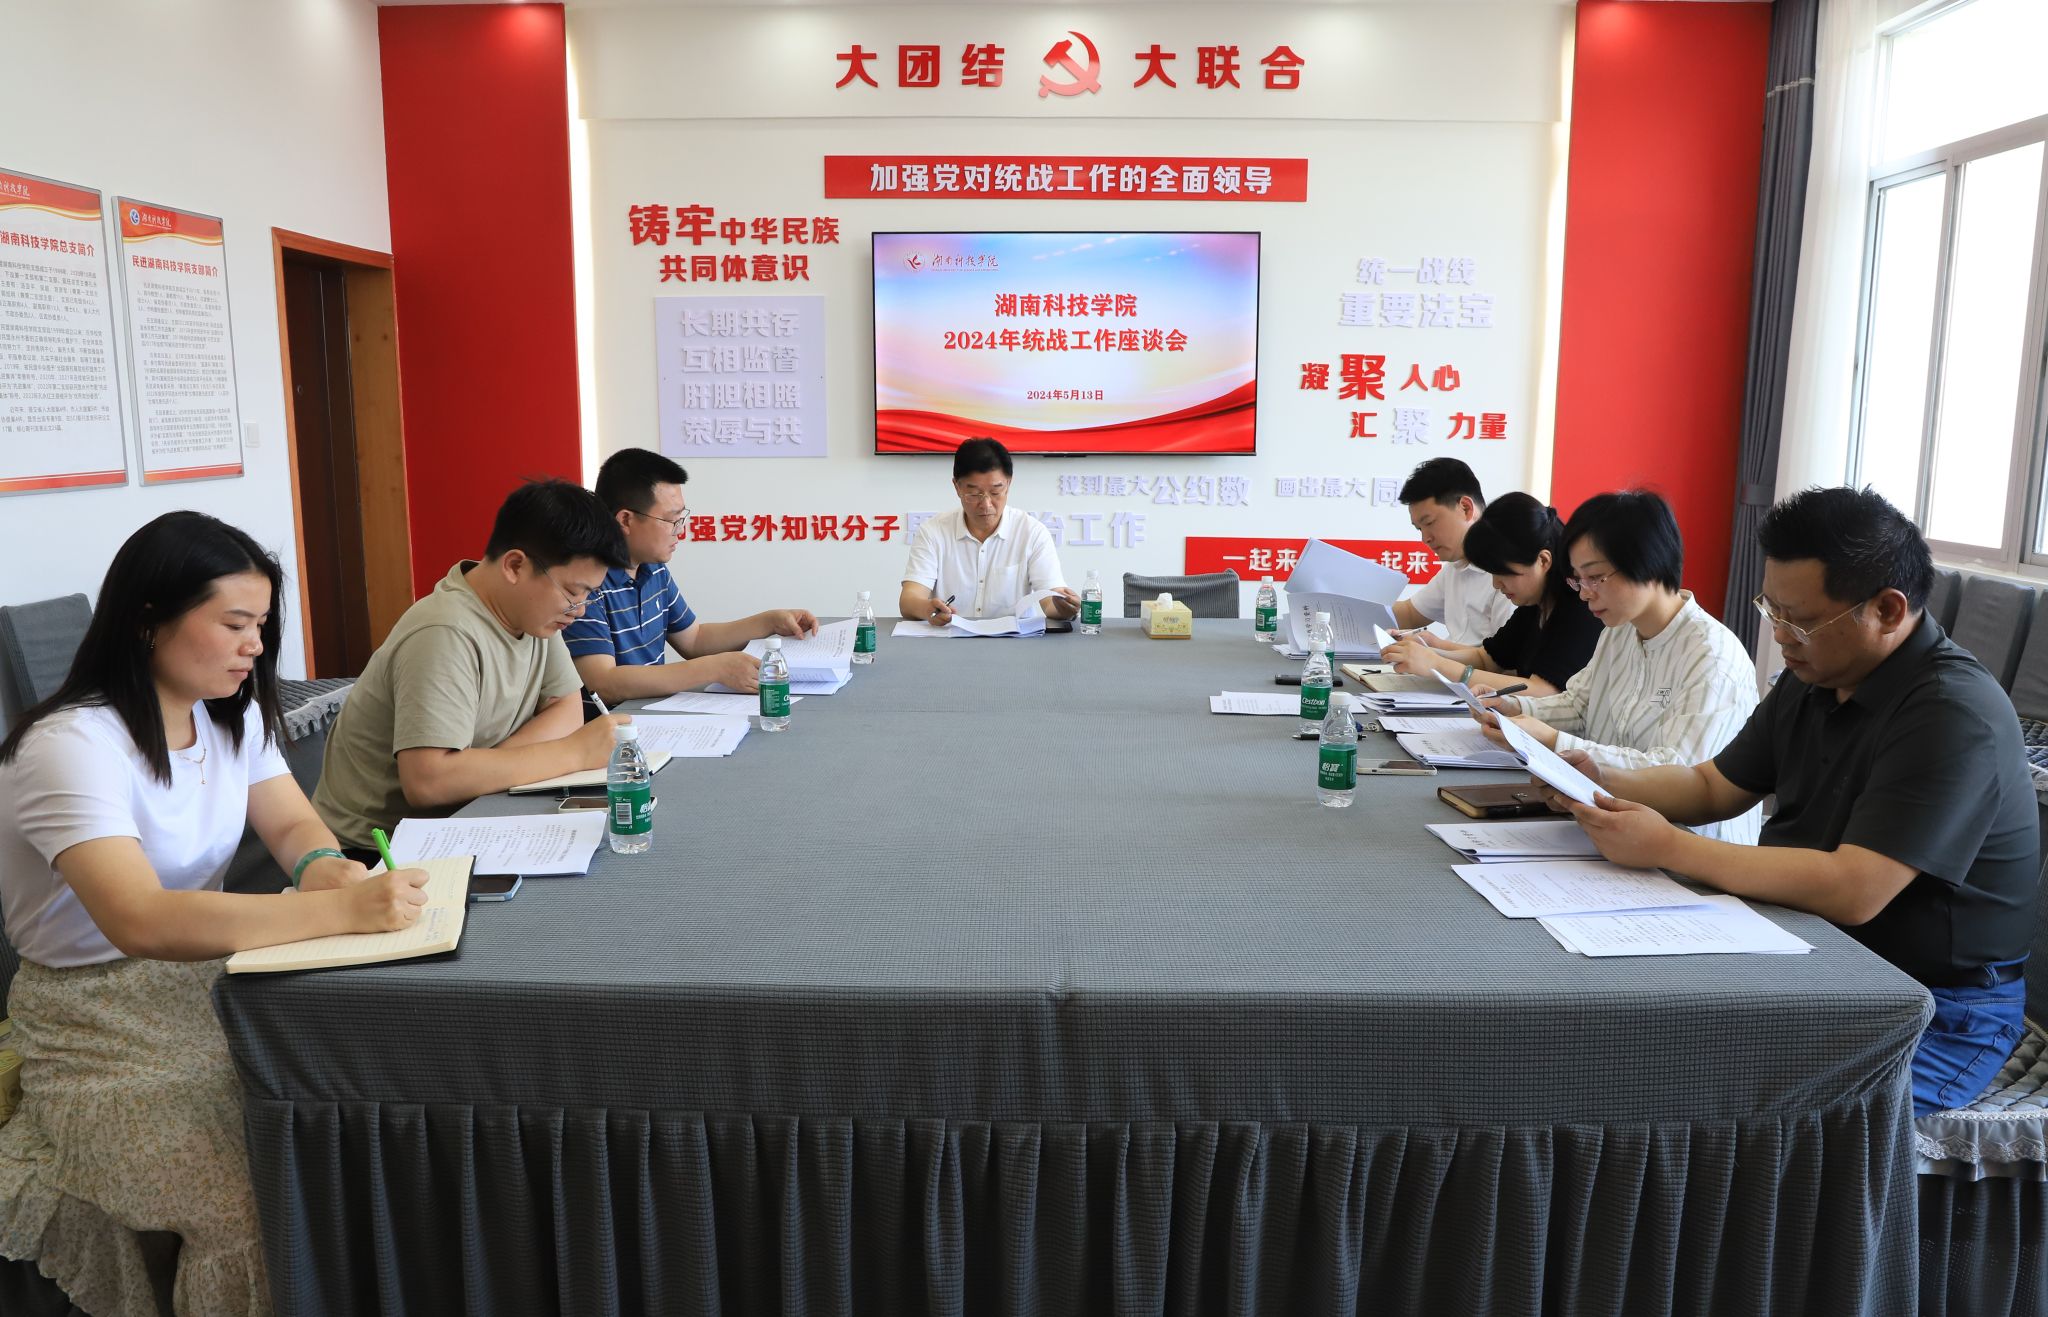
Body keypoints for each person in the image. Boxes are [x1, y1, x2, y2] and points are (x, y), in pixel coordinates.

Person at [0, 512, 429, 1316]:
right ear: (147, 620)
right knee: (244, 1191)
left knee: (347, 1105)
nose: (254, 646)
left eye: (260, 625)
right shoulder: (70, 745)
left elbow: (292, 825)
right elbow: (140, 919)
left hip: (217, 974)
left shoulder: (227, 713)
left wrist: (321, 866)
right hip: (93, 1019)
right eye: (234, 624)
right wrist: (339, 912)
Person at [1544, 487, 2037, 1115]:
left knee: (1742, 1112)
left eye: (1799, 619)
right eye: (1771, 610)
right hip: (1808, 952)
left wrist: (1669, 848)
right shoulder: (1815, 676)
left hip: (1933, 1003)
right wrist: (1599, 781)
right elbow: (1713, 787)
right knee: (1630, 1038)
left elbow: (1855, 888)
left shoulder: (1952, 712)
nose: (1779, 635)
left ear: (1887, 610)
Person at [313, 480, 632, 852]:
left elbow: (567, 707)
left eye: (589, 595)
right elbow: (429, 782)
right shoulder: (445, 631)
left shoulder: (532, 613)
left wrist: (485, 768)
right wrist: (573, 753)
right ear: (515, 565)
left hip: (468, 814)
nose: (579, 610)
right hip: (378, 850)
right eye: (574, 592)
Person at [1476, 489, 1761, 844]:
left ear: (1648, 562)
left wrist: (1552, 739)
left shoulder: (1712, 657)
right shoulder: (1620, 631)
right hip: (1616, 829)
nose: (1584, 593)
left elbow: (1679, 775)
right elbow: (1580, 705)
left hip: (1693, 848)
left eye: (1595, 577)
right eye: (1577, 579)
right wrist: (1513, 708)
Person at [569, 449, 818, 702]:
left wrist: (771, 622)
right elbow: (604, 682)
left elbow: (694, 640)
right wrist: (714, 669)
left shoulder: (653, 569)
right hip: (610, 724)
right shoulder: (585, 582)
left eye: (682, 518)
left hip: (649, 715)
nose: (680, 530)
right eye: (672, 520)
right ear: (626, 520)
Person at [1382, 492, 1600, 698]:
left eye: (1503, 573)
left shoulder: (1579, 607)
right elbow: (1487, 659)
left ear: (1543, 561)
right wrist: (1428, 652)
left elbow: (1542, 691)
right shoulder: (1535, 604)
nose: (1496, 584)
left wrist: (1437, 665)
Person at [899, 438, 1079, 624]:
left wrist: (1063, 607)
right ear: (957, 487)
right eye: (974, 493)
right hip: (951, 637)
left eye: (995, 492)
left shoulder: (1032, 533)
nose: (986, 504)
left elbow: (1050, 602)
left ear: (1008, 484)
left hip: (1014, 640)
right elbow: (909, 599)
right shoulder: (933, 532)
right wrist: (927, 609)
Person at [1387, 457, 1517, 644]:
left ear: (1465, 508)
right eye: (1419, 529)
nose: (1425, 538)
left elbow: (1501, 657)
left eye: (1429, 523)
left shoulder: (1511, 570)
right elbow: (1409, 614)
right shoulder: (1455, 566)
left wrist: (1433, 650)